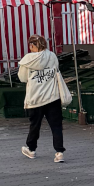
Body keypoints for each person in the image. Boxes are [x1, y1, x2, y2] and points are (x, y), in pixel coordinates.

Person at [18, 35, 68, 163]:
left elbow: (22, 78)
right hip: (52, 97)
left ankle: (31, 149)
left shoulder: (27, 60)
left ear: (32, 45)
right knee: (56, 126)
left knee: (35, 125)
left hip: (35, 98)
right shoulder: (52, 56)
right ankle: (59, 152)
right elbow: (56, 70)